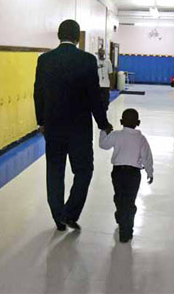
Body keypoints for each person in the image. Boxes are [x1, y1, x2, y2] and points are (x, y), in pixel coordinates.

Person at [34, 19, 113, 232]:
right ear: (78, 37)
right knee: (84, 170)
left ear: (59, 35)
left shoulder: (45, 60)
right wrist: (103, 123)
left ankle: (58, 217)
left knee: (55, 170)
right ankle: (70, 212)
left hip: (53, 127)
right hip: (79, 128)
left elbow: (38, 93)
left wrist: (41, 122)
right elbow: (94, 96)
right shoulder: (87, 60)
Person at [99, 108, 153, 243]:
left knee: (119, 197)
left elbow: (103, 144)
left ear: (121, 121)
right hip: (134, 175)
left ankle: (121, 220)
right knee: (130, 201)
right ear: (138, 122)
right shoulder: (141, 139)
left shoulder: (116, 135)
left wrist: (104, 131)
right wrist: (149, 172)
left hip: (117, 173)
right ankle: (127, 228)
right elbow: (147, 157)